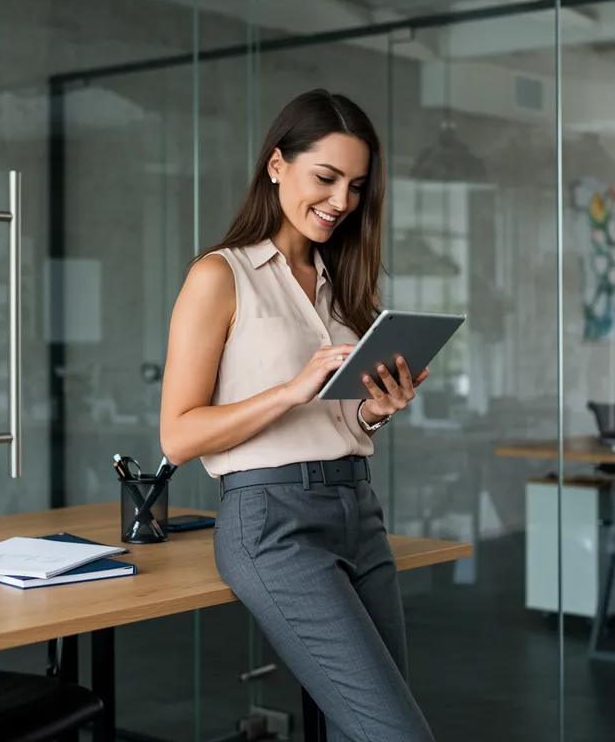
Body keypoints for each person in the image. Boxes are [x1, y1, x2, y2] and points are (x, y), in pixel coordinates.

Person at [160, 88, 435, 742]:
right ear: (277, 165)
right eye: (326, 177)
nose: (342, 200)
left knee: (358, 731)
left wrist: (372, 411)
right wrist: (291, 389)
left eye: (357, 186)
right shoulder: (221, 276)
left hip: (358, 514)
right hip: (271, 521)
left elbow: (336, 420)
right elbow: (178, 435)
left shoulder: (345, 285)